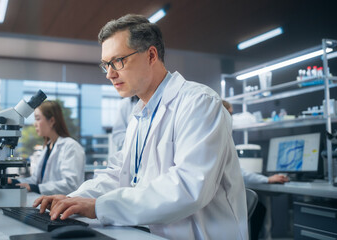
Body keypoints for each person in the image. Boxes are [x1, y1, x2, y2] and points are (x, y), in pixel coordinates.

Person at [34, 14, 248, 239]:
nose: (109, 74)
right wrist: (73, 199)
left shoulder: (199, 102)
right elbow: (120, 174)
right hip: (150, 232)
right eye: (106, 64)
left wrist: (98, 207)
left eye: (118, 61)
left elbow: (189, 187)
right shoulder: (140, 113)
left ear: (151, 55)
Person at [222, 100, 289, 240]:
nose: (231, 118)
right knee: (259, 210)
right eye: (230, 114)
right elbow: (240, 173)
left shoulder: (223, 137)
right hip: (222, 206)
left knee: (259, 209)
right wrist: (267, 179)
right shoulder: (220, 139)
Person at [8, 101, 85, 195]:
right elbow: (35, 180)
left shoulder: (71, 146)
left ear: (52, 121)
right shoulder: (47, 147)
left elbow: (71, 185)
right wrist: (14, 182)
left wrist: (34, 187)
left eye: (38, 118)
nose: (34, 124)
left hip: (65, 205)